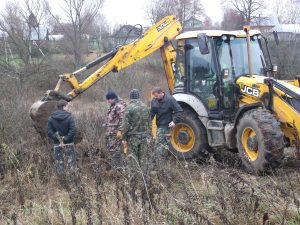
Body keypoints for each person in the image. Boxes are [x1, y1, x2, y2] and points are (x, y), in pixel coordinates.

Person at [150, 87, 183, 164]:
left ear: (161, 93)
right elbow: (152, 113)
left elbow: (179, 111)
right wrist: (149, 123)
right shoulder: (155, 101)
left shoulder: (170, 100)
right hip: (159, 124)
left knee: (159, 144)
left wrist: (174, 121)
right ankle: (163, 161)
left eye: (156, 96)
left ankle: (158, 162)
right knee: (163, 144)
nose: (155, 98)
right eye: (154, 96)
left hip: (166, 125)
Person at [121, 89, 151, 169]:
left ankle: (136, 177)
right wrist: (149, 135)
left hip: (133, 137)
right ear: (139, 96)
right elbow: (149, 123)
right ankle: (144, 176)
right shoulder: (146, 107)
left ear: (130, 97)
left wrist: (123, 137)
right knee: (143, 158)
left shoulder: (129, 108)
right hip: (144, 136)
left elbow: (125, 125)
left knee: (133, 158)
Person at [47, 100, 77, 175]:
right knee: (71, 163)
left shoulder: (51, 118)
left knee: (59, 164)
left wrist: (57, 138)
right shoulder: (70, 117)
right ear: (64, 107)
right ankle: (73, 182)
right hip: (69, 143)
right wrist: (66, 138)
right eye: (67, 106)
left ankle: (62, 183)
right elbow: (73, 130)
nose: (68, 108)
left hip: (57, 144)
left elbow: (49, 131)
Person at [105, 91, 127, 169]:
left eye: (109, 99)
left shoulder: (119, 106)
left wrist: (120, 130)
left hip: (116, 132)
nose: (108, 101)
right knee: (112, 149)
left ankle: (118, 167)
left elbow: (123, 119)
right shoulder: (113, 105)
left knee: (116, 150)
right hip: (112, 132)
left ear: (113, 98)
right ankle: (116, 166)